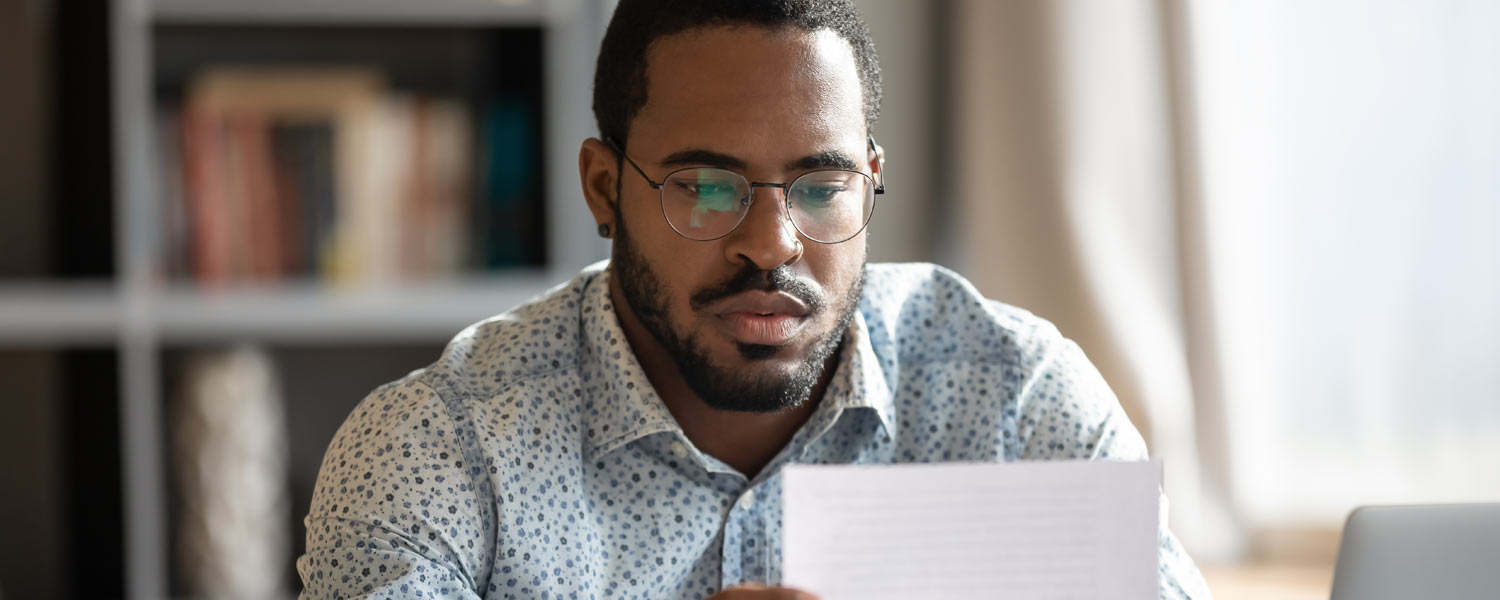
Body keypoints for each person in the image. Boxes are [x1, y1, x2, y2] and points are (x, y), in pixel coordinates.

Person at [297, 1, 1211, 598]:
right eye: (703, 185)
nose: (773, 245)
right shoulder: (438, 451)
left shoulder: (1019, 400)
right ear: (604, 188)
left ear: (871, 184)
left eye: (820, 187)